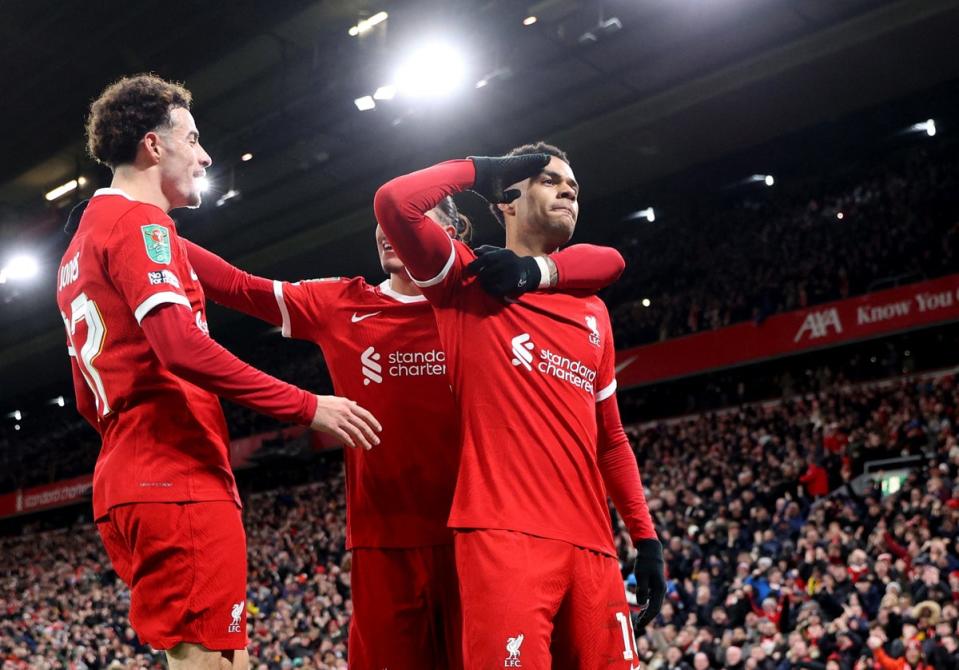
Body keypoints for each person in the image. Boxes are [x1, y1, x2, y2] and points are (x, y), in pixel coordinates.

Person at [182, 191, 626, 669]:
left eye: (408, 223)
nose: (386, 231)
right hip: (384, 541)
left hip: (480, 540)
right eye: (380, 224)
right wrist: (145, 225)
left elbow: (604, 262)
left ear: (448, 236)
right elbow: (236, 285)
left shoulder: (479, 297)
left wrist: (536, 272)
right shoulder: (340, 303)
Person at [55, 74, 380, 670]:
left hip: (131, 472)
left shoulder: (88, 241)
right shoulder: (138, 225)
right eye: (194, 139)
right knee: (206, 663)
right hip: (174, 473)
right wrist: (309, 405)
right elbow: (179, 346)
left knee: (222, 660)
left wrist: (363, 302)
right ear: (154, 147)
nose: (204, 155)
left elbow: (239, 287)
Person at [373, 144, 666, 668]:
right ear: (506, 202)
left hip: (594, 545)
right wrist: (481, 170)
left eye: (573, 186)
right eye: (550, 181)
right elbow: (394, 203)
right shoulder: (466, 279)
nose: (569, 191)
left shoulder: (592, 307)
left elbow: (612, 440)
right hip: (504, 536)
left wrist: (646, 540)